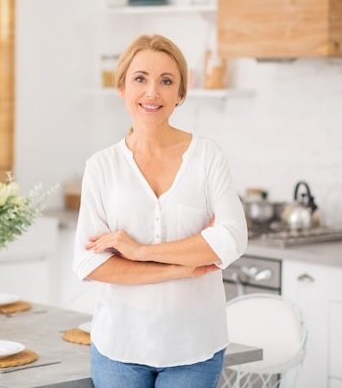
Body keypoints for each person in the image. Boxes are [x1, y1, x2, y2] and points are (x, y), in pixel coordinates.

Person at [72, 33, 248, 388]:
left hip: (195, 346)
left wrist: (140, 253)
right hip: (118, 346)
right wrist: (180, 266)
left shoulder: (207, 156)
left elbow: (232, 238)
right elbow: (90, 263)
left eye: (166, 81)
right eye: (140, 79)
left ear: (180, 93)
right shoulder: (101, 167)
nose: (152, 92)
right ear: (122, 87)